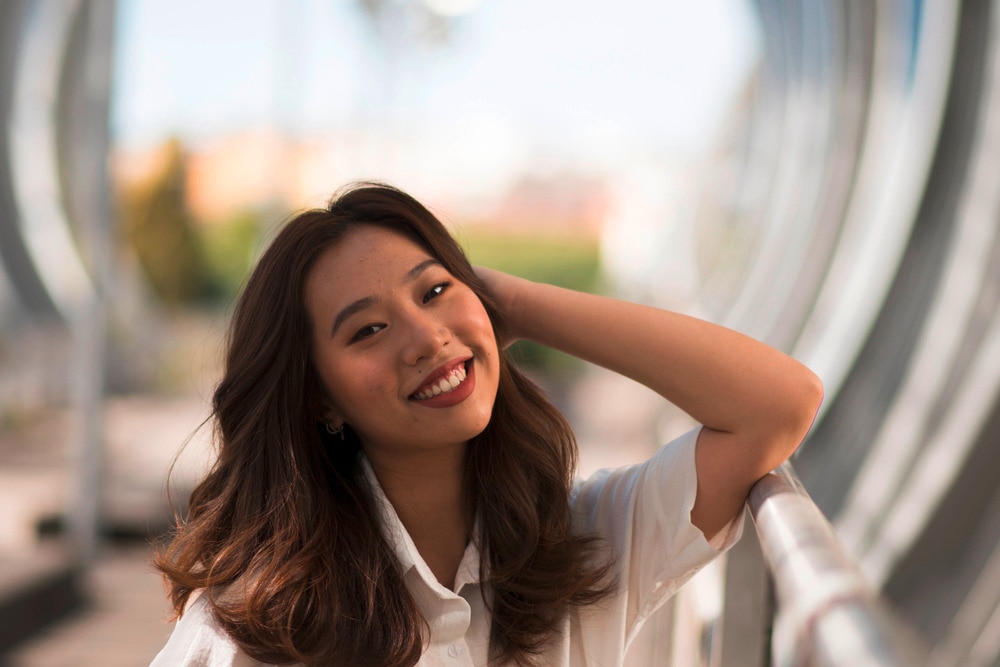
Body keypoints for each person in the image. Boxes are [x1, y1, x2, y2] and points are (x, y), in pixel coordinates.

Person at [150, 182, 822, 667]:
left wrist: (514, 306)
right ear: (317, 400)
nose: (425, 338)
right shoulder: (259, 632)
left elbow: (777, 403)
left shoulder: (586, 542)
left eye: (435, 290)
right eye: (369, 329)